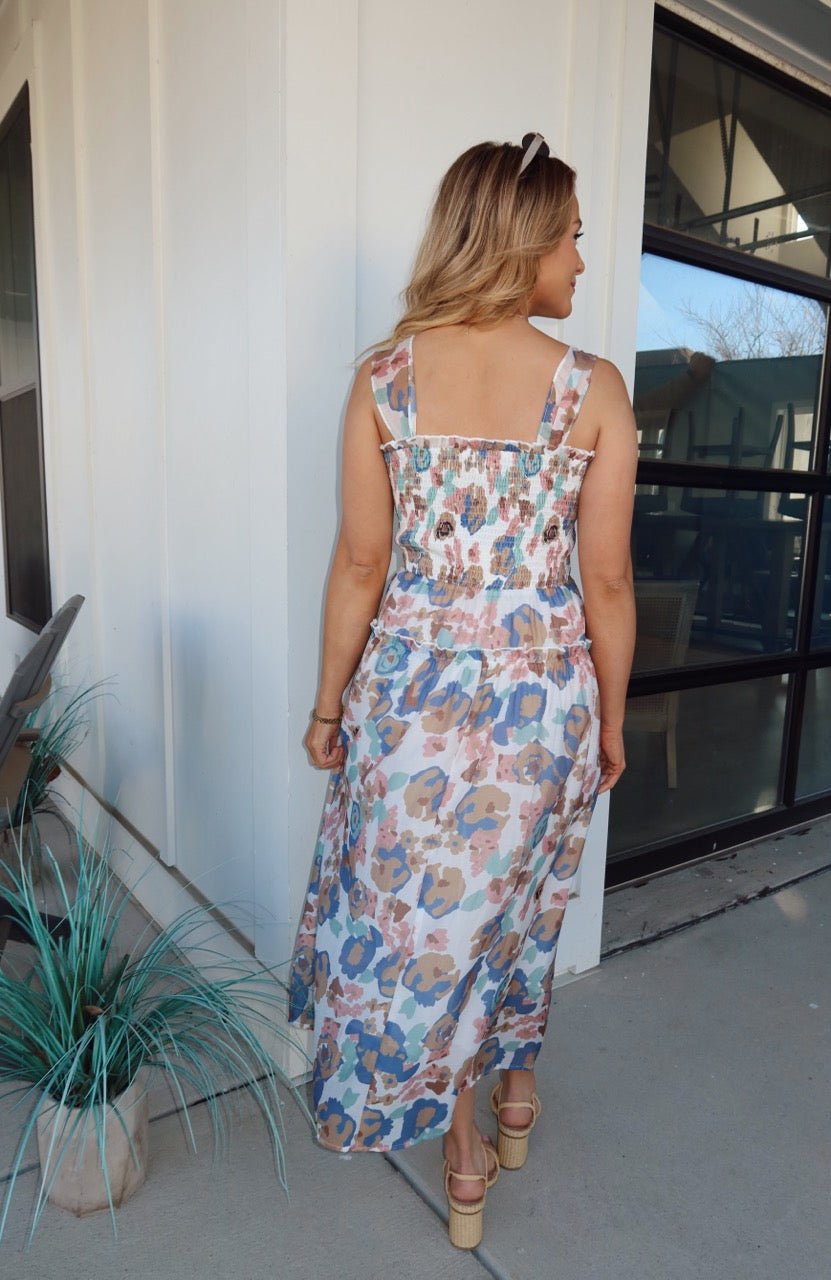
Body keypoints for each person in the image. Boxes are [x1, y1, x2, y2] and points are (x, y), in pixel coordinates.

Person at [288, 131, 637, 1250]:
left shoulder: (385, 379)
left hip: (408, 705)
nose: (583, 259)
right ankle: (506, 1100)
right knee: (520, 906)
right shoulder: (590, 388)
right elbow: (610, 580)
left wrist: (328, 705)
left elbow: (358, 565)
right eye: (573, 234)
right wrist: (616, 717)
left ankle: (470, 1142)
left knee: (432, 931)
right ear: (525, 235)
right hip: (544, 709)